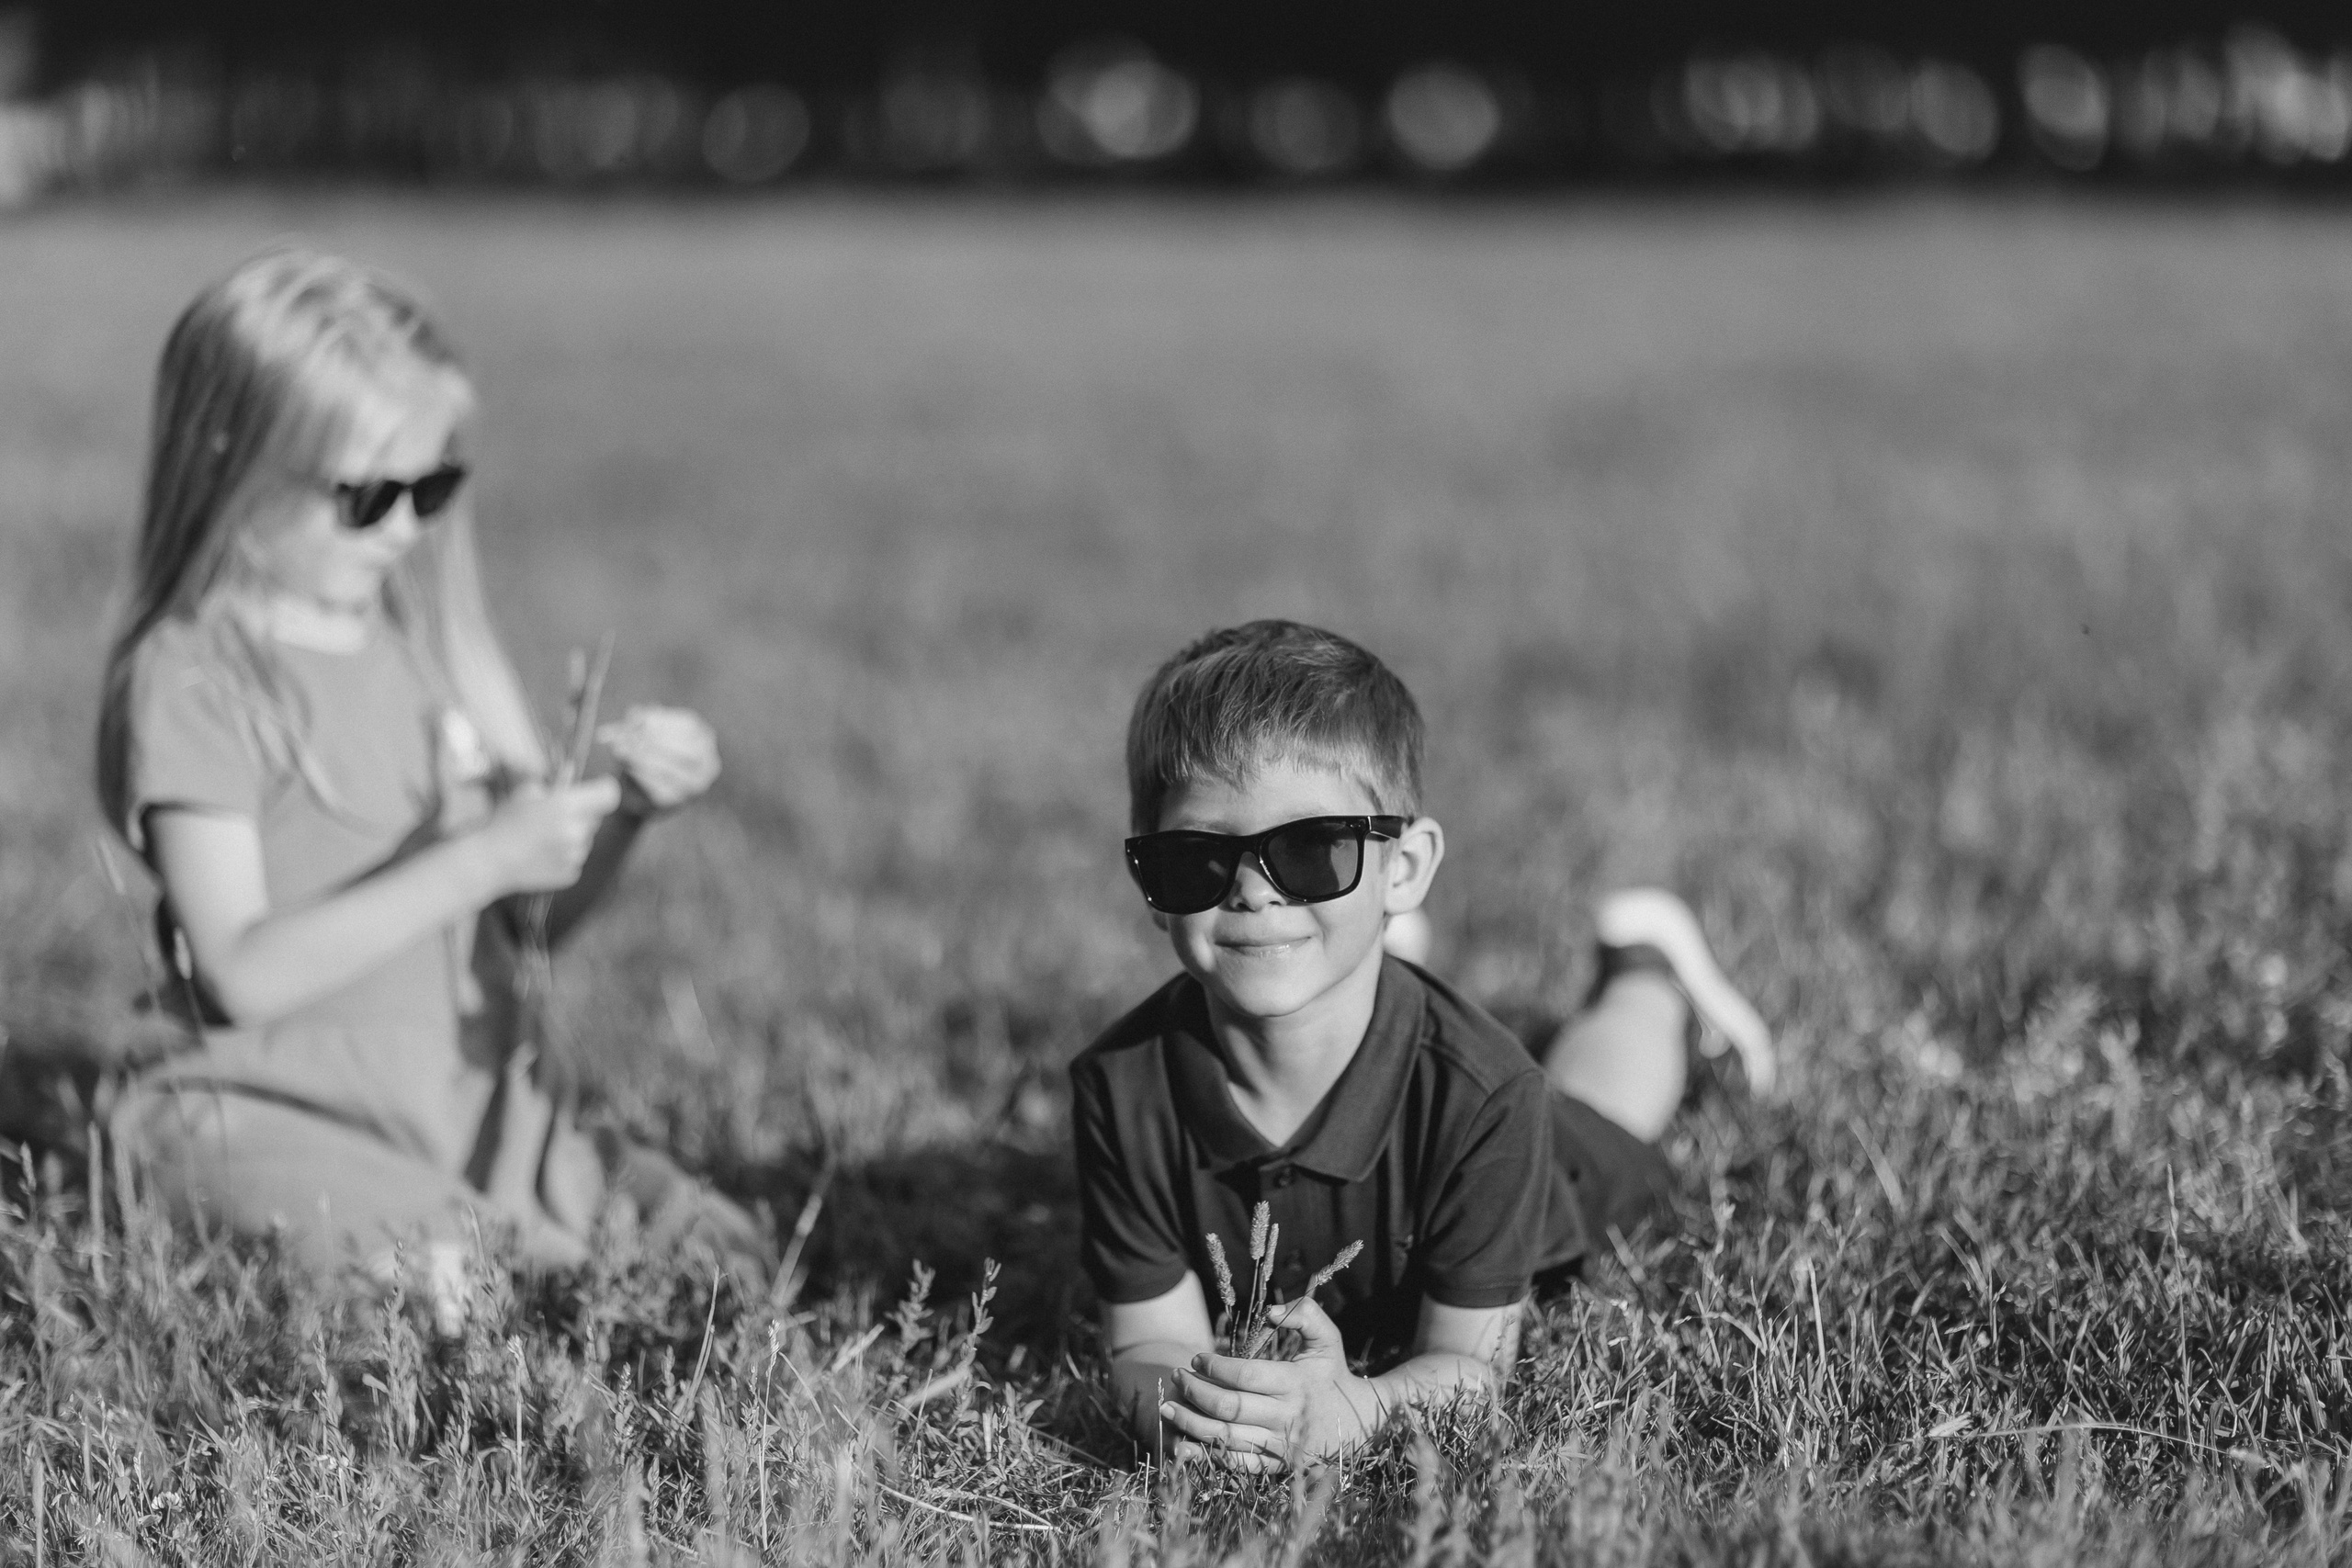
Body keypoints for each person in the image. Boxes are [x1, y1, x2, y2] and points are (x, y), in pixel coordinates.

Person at [95, 248, 770, 1312]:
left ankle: (519, 1239)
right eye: (366, 495)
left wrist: (624, 816)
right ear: (232, 461)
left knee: (716, 1246)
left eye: (433, 485)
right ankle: (493, 1259)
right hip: (271, 1108)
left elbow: (524, 922)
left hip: (464, 1100)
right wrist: (479, 858)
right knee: (449, 1285)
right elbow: (240, 975)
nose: (407, 525)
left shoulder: (422, 642)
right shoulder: (195, 679)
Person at [1072, 619, 1774, 1473]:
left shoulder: (1488, 1098)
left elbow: (1472, 1369)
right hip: (1383, 1001)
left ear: (1404, 866)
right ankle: (1356, 945)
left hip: (1553, 1170)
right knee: (1320, 954)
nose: (1253, 891)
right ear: (1151, 884)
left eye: (1311, 851)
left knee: (1602, 1102)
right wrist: (1203, 1416)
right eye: (1197, 860)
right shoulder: (1120, 1084)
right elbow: (1147, 1340)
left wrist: (1354, 1409)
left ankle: (1646, 969)